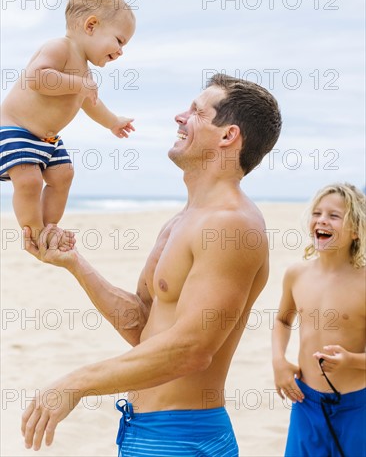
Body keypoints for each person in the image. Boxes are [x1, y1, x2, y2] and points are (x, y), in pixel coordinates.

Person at [21, 75, 282, 455]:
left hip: (183, 438)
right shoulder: (181, 221)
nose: (179, 116)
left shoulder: (232, 225)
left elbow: (193, 348)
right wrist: (76, 264)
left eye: (196, 112)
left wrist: (76, 382)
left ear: (228, 136)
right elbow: (145, 326)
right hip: (141, 430)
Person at [0, 0, 136, 250]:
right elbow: (37, 78)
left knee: (63, 175)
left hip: (48, 139)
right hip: (16, 130)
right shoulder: (60, 48)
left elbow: (92, 105)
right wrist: (78, 84)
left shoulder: (85, 74)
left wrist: (113, 121)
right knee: (29, 180)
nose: (121, 51)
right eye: (119, 40)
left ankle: (49, 227)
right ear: (91, 25)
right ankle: (35, 232)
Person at [272, 183, 366, 457]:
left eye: (334, 216)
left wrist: (351, 360)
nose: (322, 219)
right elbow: (282, 321)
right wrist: (279, 360)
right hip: (306, 402)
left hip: (357, 406)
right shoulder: (296, 274)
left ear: (356, 231)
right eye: (317, 213)